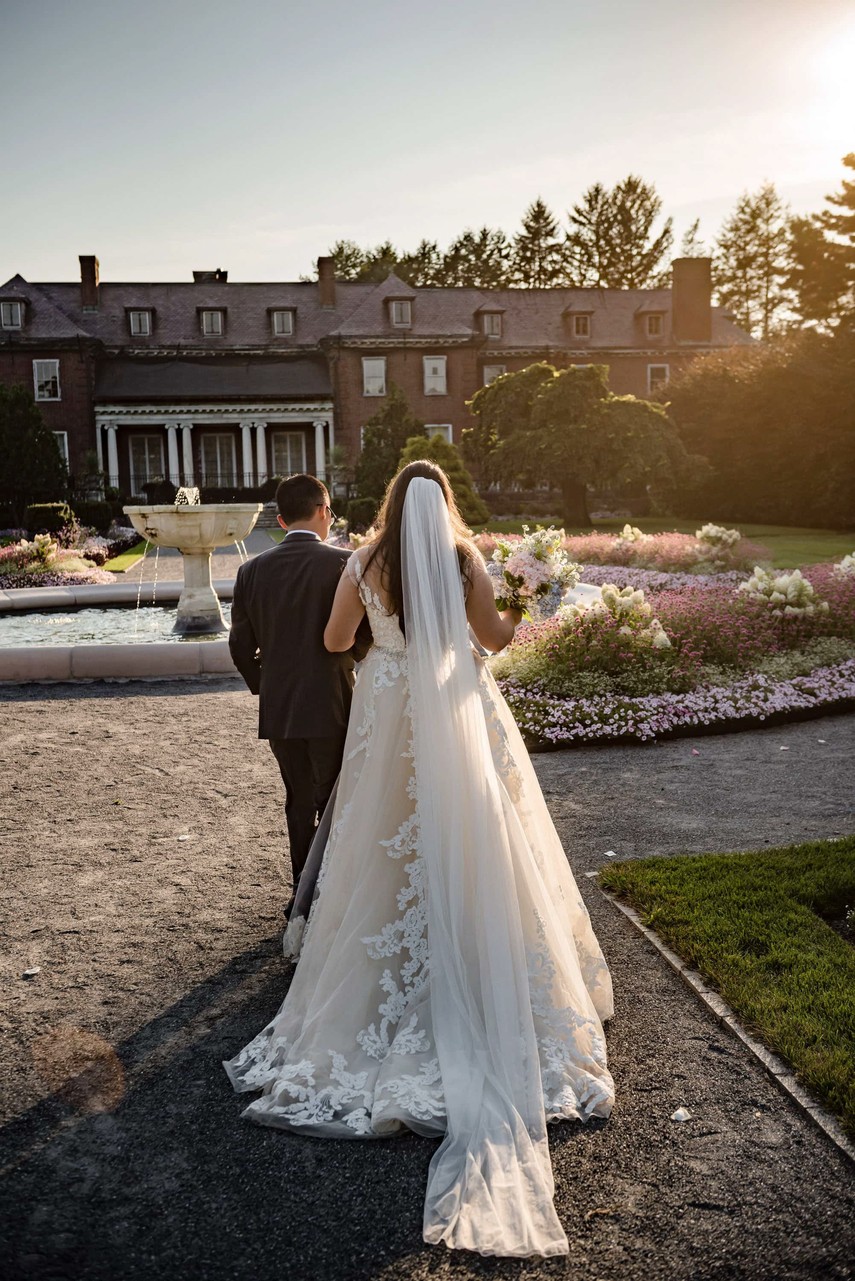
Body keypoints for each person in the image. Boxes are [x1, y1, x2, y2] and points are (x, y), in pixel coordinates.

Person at [223, 461, 615, 1257]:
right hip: (456, 707)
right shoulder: (465, 560)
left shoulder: (362, 560)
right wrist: (529, 602)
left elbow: (336, 640)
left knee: (380, 844)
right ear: (446, 509)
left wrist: (379, 635)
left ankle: (369, 993)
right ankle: (487, 971)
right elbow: (493, 639)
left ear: (393, 505)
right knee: (478, 834)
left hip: (388, 707)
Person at [228, 472, 368, 916]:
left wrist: (264, 685)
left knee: (298, 798)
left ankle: (301, 894)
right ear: (324, 510)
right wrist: (355, 662)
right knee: (333, 798)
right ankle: (332, 892)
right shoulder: (342, 564)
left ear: (282, 518)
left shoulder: (251, 570)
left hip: (281, 706)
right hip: (332, 701)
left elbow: (238, 645)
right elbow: (361, 634)